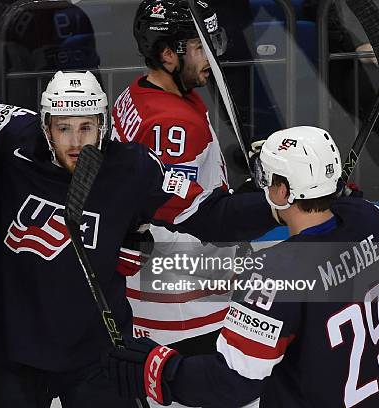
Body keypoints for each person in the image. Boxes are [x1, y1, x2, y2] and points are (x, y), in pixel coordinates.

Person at [0, 70, 278, 407]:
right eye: (64, 128)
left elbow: (210, 215)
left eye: (86, 127)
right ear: (46, 126)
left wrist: (279, 205)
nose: (75, 142)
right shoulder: (16, 139)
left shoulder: (131, 169)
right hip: (14, 351)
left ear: (103, 125)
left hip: (96, 352)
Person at [107, 126, 379, 407]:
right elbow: (348, 205)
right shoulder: (369, 222)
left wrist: (159, 368)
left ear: (282, 192)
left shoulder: (273, 275)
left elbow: (231, 383)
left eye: (266, 179)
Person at [112, 0, 239, 364]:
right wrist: (256, 210)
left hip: (159, 295)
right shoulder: (174, 123)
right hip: (184, 303)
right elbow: (180, 213)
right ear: (168, 55)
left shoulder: (139, 94)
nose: (211, 56)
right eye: (200, 47)